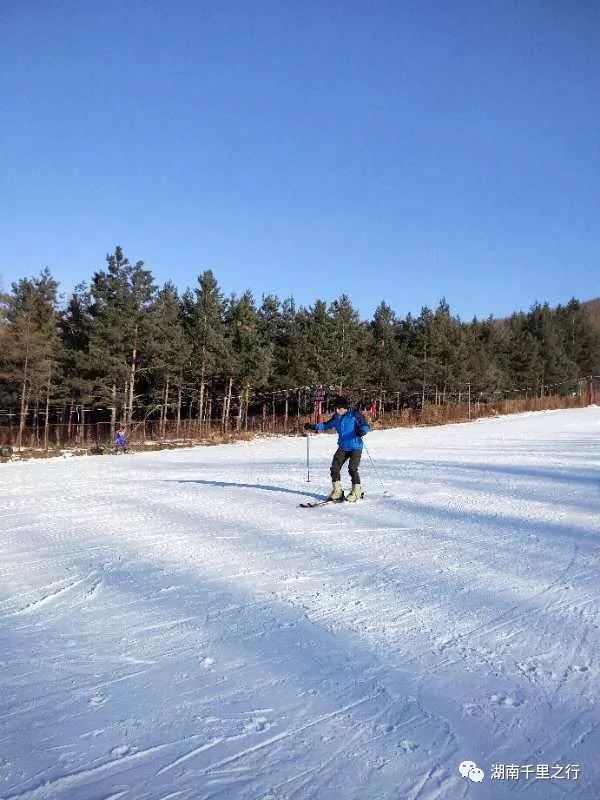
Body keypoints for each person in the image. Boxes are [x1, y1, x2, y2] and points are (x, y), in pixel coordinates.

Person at [304, 396, 370, 502]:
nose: (337, 410)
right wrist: (313, 426)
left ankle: (357, 491)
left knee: (352, 469)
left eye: (339, 408)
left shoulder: (354, 415)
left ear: (345, 408)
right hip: (343, 447)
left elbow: (365, 425)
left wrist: (362, 431)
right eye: (336, 408)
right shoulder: (336, 418)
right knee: (334, 468)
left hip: (355, 447)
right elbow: (326, 425)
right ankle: (337, 491)